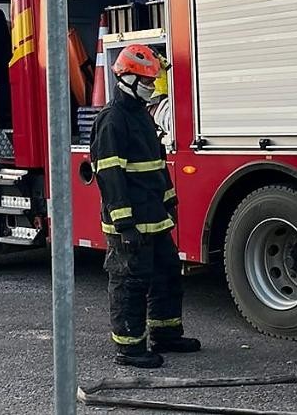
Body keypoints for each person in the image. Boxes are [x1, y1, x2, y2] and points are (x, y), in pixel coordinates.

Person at [90, 43, 200, 368]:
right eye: (148, 81)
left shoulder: (141, 115)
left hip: (154, 217)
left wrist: (170, 201)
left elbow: (156, 167)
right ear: (128, 79)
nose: (152, 86)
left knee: (167, 274)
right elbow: (110, 176)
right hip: (131, 222)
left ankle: (166, 334)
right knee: (130, 283)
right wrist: (124, 224)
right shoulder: (113, 120)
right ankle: (129, 348)